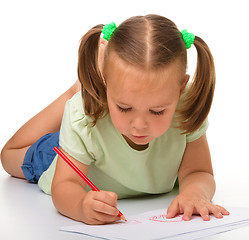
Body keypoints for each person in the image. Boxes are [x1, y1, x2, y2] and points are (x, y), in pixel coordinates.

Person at [0, 14, 229, 225]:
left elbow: (199, 172)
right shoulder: (85, 120)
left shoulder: (186, 106)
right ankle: (81, 88)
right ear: (108, 86)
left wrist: (195, 193)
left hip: (101, 135)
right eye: (124, 107)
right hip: (72, 152)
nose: (139, 124)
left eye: (157, 111)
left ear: (180, 90)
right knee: (9, 156)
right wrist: (80, 205)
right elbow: (65, 184)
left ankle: (97, 90)